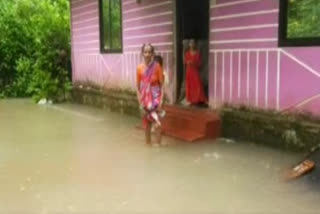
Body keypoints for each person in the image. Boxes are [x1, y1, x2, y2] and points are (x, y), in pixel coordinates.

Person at [136, 44, 164, 146]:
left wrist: (161, 101)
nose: (147, 54)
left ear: (152, 54)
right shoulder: (139, 68)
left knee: (157, 124)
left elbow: (162, 85)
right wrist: (140, 103)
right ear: (142, 53)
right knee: (147, 125)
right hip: (144, 101)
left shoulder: (157, 67)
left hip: (156, 99)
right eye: (145, 52)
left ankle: (159, 146)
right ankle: (148, 145)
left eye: (149, 52)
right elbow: (137, 87)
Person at [184, 39, 207, 105]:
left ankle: (199, 99)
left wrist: (194, 63)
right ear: (189, 44)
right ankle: (191, 100)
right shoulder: (187, 53)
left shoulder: (197, 53)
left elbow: (200, 63)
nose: (192, 44)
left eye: (193, 43)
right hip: (189, 71)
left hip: (195, 71)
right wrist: (188, 62)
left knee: (198, 84)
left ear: (195, 44)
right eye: (191, 43)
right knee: (190, 85)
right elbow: (185, 61)